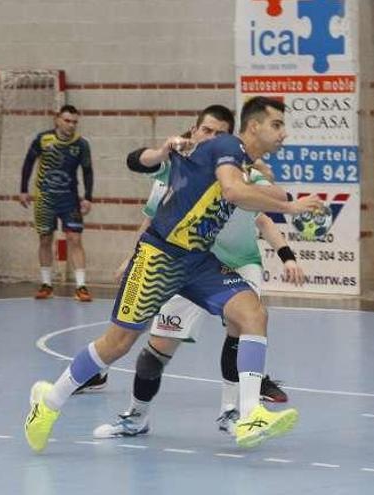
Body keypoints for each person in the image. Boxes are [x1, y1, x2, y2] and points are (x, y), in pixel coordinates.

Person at [24, 96, 323, 453]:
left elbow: (245, 194)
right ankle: (49, 401)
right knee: (118, 343)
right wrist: (289, 207)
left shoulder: (240, 163)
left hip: (198, 262)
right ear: (255, 125)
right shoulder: (226, 148)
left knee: (253, 312)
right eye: (277, 125)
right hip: (159, 256)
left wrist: (279, 203)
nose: (283, 133)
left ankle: (249, 414)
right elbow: (227, 189)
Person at [87, 106, 302, 438]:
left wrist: (267, 185)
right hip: (181, 263)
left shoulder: (242, 171)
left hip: (234, 266)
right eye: (207, 131)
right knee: (157, 347)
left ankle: (236, 413)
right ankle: (136, 416)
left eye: (221, 134)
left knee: (245, 324)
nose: (214, 138)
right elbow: (141, 180)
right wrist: (133, 257)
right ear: (194, 131)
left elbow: (267, 203)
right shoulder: (181, 166)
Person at [20, 105, 94, 302]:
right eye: (67, 121)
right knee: (45, 239)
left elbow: (87, 171)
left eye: (74, 122)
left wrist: (88, 197)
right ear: (57, 120)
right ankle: (46, 284)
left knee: (75, 239)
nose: (71, 125)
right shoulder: (43, 139)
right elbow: (28, 163)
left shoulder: (81, 144)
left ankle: (81, 286)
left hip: (69, 199)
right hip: (45, 198)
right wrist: (23, 190)